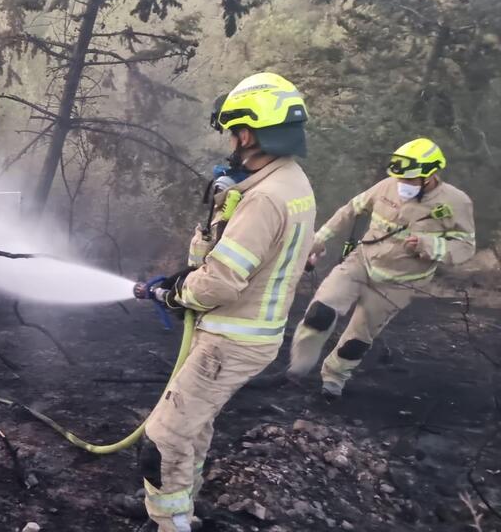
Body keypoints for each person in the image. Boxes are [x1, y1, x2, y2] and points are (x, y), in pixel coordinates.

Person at [132, 72, 316, 532]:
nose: (231, 142)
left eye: (234, 131)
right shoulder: (286, 182)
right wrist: (219, 210)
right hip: (245, 333)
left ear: (250, 132)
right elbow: (218, 259)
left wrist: (172, 293)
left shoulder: (264, 199)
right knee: (193, 426)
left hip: (231, 338)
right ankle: (183, 510)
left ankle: (170, 524)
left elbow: (218, 284)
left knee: (162, 439)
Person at [287, 138, 475, 399]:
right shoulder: (388, 186)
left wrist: (430, 245)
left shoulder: (456, 202)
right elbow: (351, 209)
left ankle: (334, 379)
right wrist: (319, 238)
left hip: (399, 284)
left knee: (358, 339)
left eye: (409, 181)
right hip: (360, 263)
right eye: (400, 180)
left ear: (430, 176)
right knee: (320, 313)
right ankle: (298, 367)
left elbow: (466, 246)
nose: (403, 187)